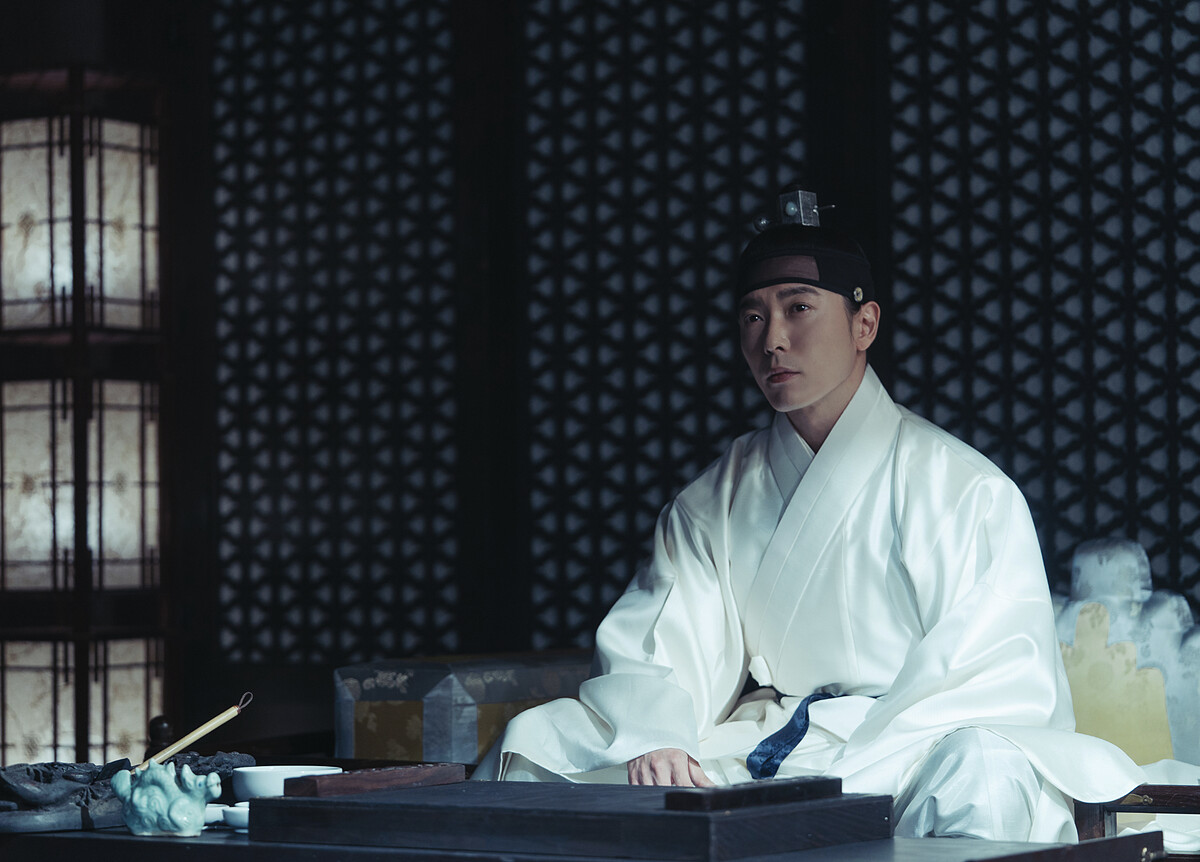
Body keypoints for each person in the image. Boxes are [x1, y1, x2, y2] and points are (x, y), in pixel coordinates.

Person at [472, 188, 1145, 842]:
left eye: (798, 308)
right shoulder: (715, 500)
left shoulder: (962, 487)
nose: (773, 340)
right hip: (765, 741)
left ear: (864, 324)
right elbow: (659, 647)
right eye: (753, 317)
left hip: (910, 746)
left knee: (984, 772)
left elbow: (991, 676)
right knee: (538, 744)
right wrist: (658, 735)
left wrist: (861, 759)